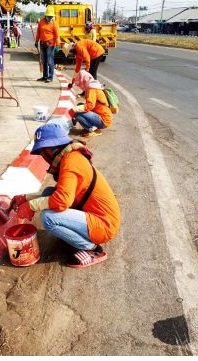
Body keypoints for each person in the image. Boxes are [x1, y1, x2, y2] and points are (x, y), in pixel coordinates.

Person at [10, 122, 121, 269]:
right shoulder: (71, 156)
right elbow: (60, 193)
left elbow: (62, 200)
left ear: (53, 148)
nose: (44, 156)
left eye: (44, 151)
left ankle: (93, 249)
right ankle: (76, 233)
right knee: (49, 192)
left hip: (104, 225)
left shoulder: (70, 162)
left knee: (48, 218)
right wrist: (26, 198)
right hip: (95, 215)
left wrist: (30, 206)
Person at [71, 69, 113, 137]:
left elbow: (90, 106)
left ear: (83, 80)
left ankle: (93, 129)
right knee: (79, 105)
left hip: (103, 120)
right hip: (103, 115)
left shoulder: (91, 89)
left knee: (77, 114)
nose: (79, 85)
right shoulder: (94, 85)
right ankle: (92, 126)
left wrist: (73, 109)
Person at [35, 6, 60, 82]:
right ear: (46, 15)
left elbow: (57, 35)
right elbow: (38, 32)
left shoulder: (54, 24)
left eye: (51, 16)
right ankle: (45, 76)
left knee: (50, 61)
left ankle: (50, 77)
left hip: (50, 44)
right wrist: (36, 41)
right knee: (44, 61)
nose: (50, 18)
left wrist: (57, 45)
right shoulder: (41, 22)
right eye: (48, 16)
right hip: (42, 44)